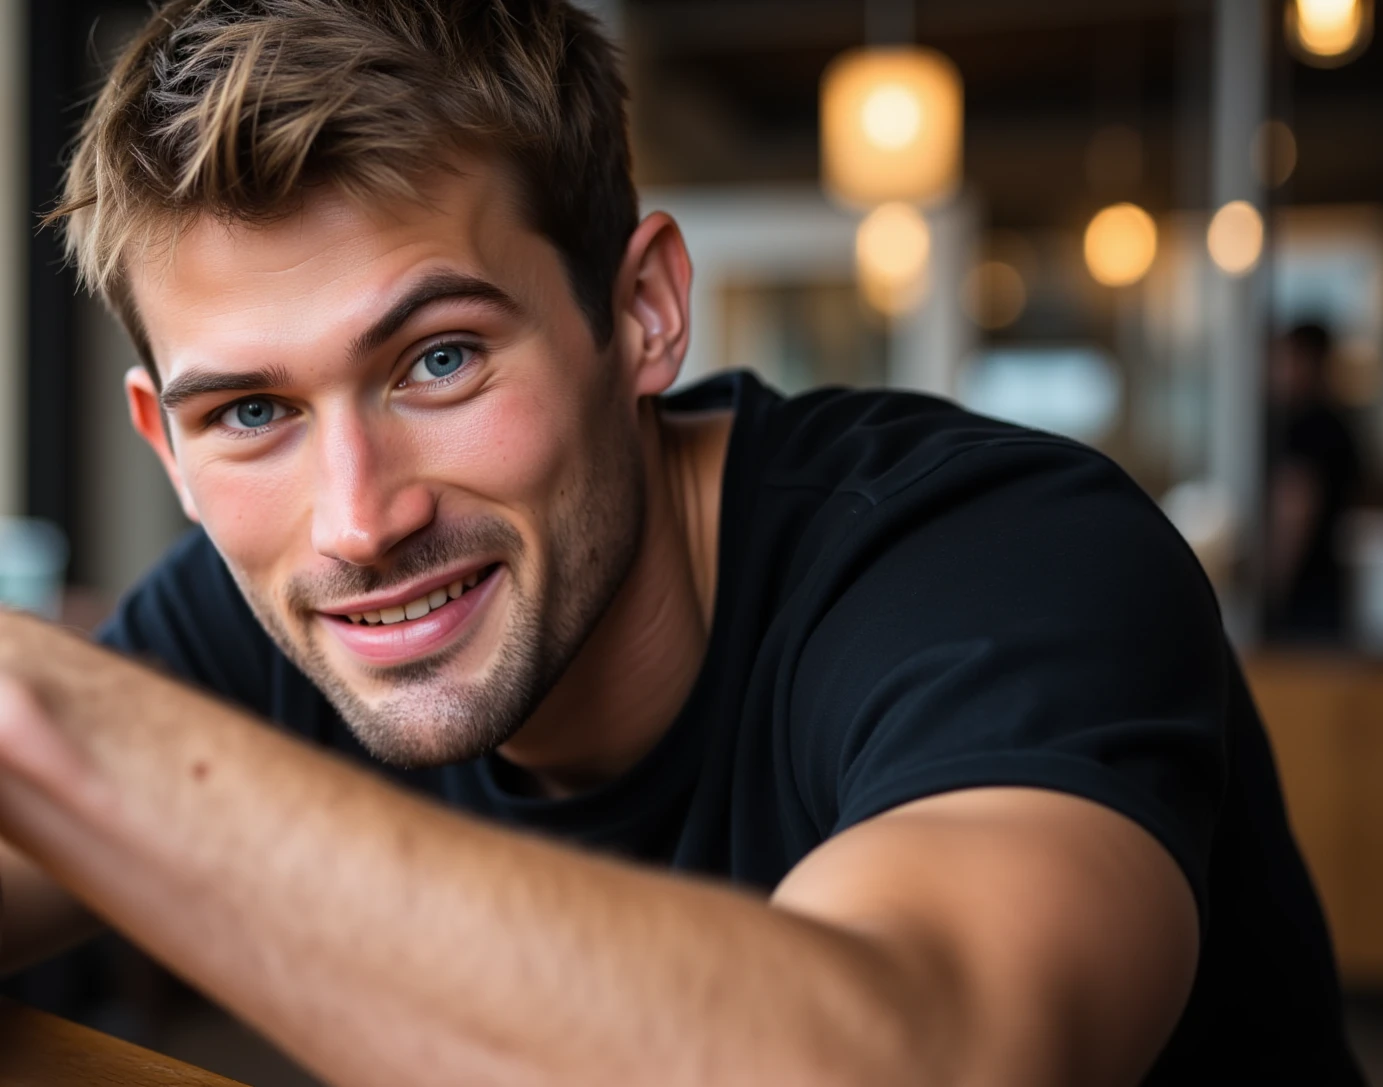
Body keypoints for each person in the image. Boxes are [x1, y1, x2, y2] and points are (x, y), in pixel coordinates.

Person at [0, 1, 1362, 1082]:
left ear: (642, 312)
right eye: (249, 411)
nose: (359, 521)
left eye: (440, 359)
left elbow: (929, 1053)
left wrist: (82, 730)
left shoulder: (1003, 555)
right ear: (165, 446)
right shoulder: (250, 613)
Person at [1266, 322, 1364, 642]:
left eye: (1287, 358)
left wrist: (1271, 588)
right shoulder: (1340, 423)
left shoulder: (1310, 425)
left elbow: (1297, 508)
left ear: (1309, 361)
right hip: (1329, 587)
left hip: (1307, 594)